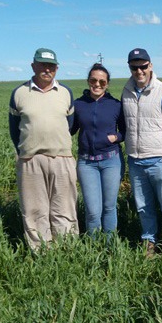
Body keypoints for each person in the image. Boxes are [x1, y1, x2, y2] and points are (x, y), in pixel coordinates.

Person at [8, 48, 78, 252]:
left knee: (64, 207)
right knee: (34, 209)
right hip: (31, 160)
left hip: (62, 158)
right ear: (33, 66)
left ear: (57, 68)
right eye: (42, 65)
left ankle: (67, 248)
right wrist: (25, 150)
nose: (47, 70)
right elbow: (15, 129)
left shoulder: (65, 92)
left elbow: (70, 125)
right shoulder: (20, 93)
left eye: (51, 66)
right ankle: (40, 250)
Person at [121, 48, 162, 257]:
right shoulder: (126, 91)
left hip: (160, 159)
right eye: (134, 67)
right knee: (143, 206)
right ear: (130, 68)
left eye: (143, 66)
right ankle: (148, 242)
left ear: (150, 66)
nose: (139, 71)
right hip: (136, 160)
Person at [70, 63, 126, 240]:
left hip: (111, 161)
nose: (97, 84)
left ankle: (110, 246)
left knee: (109, 207)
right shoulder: (78, 105)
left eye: (102, 81)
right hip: (87, 163)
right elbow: (69, 130)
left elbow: (125, 131)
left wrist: (115, 137)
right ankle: (94, 248)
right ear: (88, 81)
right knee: (93, 210)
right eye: (93, 80)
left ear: (107, 84)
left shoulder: (115, 105)